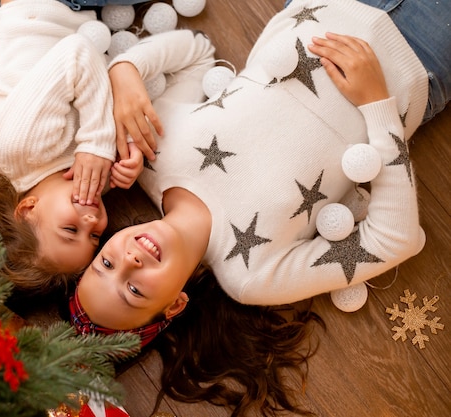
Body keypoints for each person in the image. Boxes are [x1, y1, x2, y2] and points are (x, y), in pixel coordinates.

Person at [67, 0, 450, 414]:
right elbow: (395, 240)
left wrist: (124, 70)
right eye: (135, 290)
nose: (130, 260)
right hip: (417, 55)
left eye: (107, 264)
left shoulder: (148, 158)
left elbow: (195, 51)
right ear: (175, 305)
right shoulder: (253, 277)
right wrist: (379, 105)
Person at [0, 0, 145, 293]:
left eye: (70, 230)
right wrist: (128, 150)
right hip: (83, 16)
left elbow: (78, 52)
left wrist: (98, 143)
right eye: (93, 236)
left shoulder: (21, 148)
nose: (91, 221)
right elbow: (107, 102)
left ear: (28, 209)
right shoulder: (91, 184)